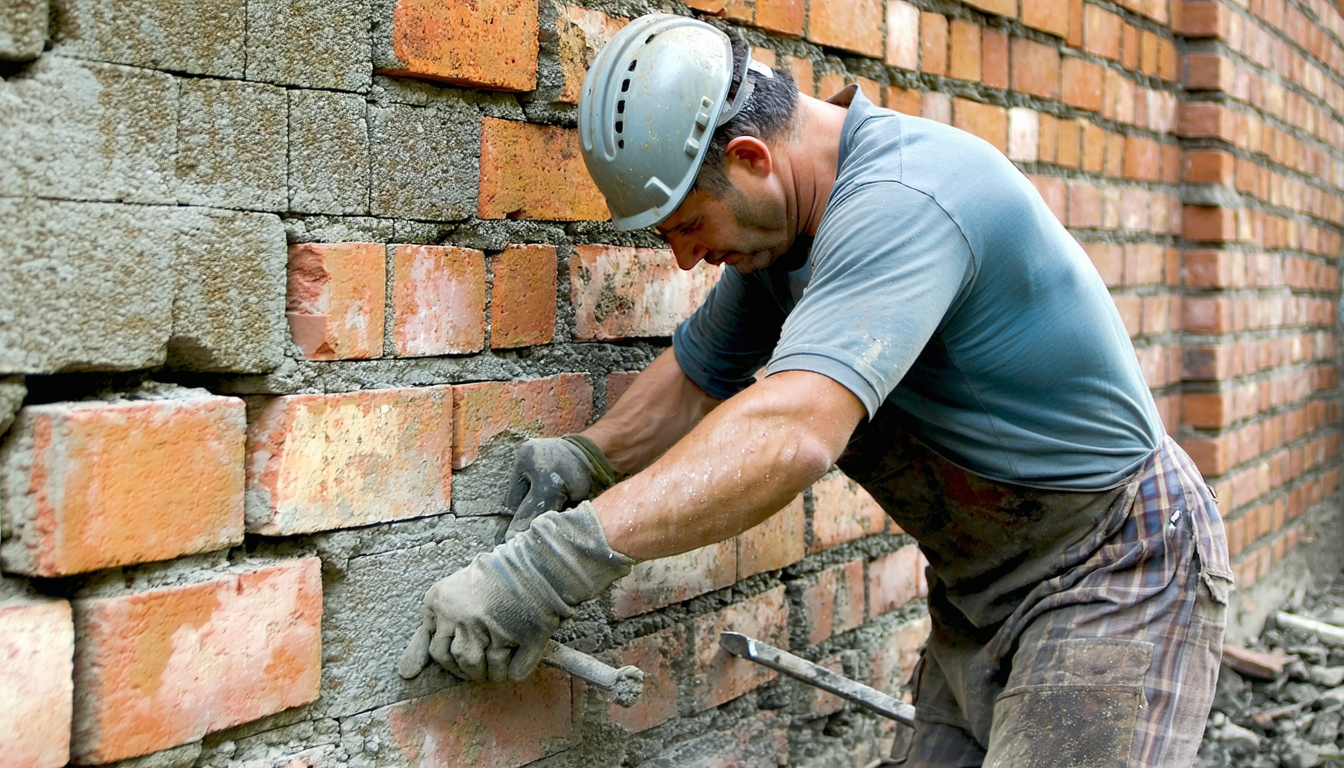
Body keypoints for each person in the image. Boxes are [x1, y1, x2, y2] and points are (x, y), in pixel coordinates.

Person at [398, 13, 1233, 767]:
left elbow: (792, 431)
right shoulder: (790, 232)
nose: (687, 260)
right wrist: (580, 462)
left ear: (752, 159)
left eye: (689, 227)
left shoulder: (904, 202)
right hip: (981, 594)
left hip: (1115, 567)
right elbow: (697, 381)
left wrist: (544, 569)